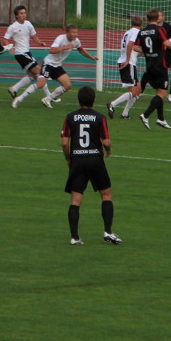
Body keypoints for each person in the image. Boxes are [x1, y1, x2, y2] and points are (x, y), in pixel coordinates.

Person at [61, 86, 122, 246]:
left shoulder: (70, 117)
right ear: (93, 100)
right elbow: (106, 142)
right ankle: (108, 232)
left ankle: (75, 237)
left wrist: (69, 158)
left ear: (79, 100)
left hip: (78, 160)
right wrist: (108, 150)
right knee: (106, 195)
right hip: (95, 159)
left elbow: (64, 142)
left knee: (75, 199)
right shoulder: (99, 117)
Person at [6, 5, 58, 107]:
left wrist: (40, 43)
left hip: (27, 53)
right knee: (40, 72)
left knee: (33, 76)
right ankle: (50, 97)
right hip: (20, 54)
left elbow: (34, 37)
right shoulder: (13, 27)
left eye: (24, 13)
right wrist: (10, 48)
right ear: (16, 15)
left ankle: (14, 89)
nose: (23, 15)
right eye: (21, 13)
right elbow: (5, 39)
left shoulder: (28, 24)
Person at [37, 25, 98, 108]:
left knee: (67, 85)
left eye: (76, 32)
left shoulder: (76, 41)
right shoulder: (60, 38)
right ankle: (20, 98)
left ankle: (47, 99)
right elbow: (51, 50)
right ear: (67, 32)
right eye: (73, 32)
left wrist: (91, 57)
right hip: (48, 63)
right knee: (40, 83)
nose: (75, 34)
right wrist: (65, 47)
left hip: (57, 65)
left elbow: (81, 49)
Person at [135, 9, 171, 130]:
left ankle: (161, 119)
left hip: (149, 65)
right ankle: (145, 115)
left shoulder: (142, 32)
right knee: (162, 93)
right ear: (157, 18)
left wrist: (147, 51)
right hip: (160, 65)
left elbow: (136, 47)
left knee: (158, 92)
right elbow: (167, 43)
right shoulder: (159, 29)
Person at [107, 15, 144, 119]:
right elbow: (130, 45)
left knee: (138, 89)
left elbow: (132, 48)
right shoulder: (136, 32)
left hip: (127, 62)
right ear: (141, 25)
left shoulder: (127, 32)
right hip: (128, 63)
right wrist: (128, 60)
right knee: (133, 91)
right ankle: (112, 104)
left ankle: (125, 114)